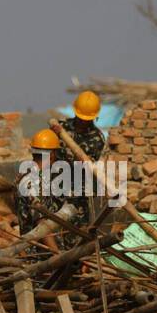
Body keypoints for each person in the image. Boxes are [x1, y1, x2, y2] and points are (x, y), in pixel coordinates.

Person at [52, 90, 106, 237]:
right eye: (81, 117)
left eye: (86, 119)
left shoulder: (97, 138)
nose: (82, 121)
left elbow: (91, 168)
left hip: (79, 195)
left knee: (77, 235)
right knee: (53, 232)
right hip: (56, 190)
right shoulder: (61, 128)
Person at [16, 129, 64, 252]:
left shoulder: (28, 175)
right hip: (40, 257)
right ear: (52, 154)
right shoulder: (33, 182)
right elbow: (41, 224)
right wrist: (57, 255)